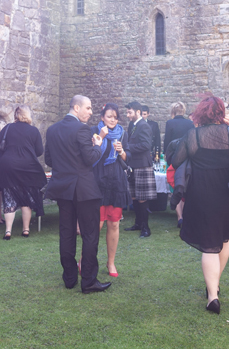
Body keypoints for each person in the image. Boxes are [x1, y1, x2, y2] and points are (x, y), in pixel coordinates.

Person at [171, 96, 229, 315]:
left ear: (201, 113)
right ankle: (214, 286)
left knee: (208, 244)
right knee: (224, 240)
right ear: (221, 112)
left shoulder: (193, 135)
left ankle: (213, 295)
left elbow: (176, 161)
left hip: (203, 194)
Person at [45, 95, 109, 293]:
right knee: (90, 234)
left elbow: (49, 159)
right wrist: (98, 144)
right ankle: (89, 280)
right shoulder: (82, 129)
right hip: (83, 189)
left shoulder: (52, 129)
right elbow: (90, 158)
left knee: (66, 232)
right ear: (76, 107)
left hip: (63, 189)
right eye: (88, 108)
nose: (91, 112)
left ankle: (70, 278)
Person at [0, 105, 47, 240]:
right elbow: (39, 151)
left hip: (8, 165)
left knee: (9, 198)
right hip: (28, 166)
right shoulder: (34, 131)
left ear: (16, 115)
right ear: (28, 115)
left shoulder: (7, 128)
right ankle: (26, 229)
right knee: (27, 199)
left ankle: (8, 231)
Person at [93, 103, 131, 278]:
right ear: (102, 117)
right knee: (96, 224)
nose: (113, 120)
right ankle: (86, 260)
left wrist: (122, 151)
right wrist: (100, 138)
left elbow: (127, 158)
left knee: (114, 223)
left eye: (115, 117)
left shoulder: (122, 133)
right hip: (98, 180)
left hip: (116, 181)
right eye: (109, 116)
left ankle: (111, 262)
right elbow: (89, 157)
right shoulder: (94, 131)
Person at [124, 101, 155, 238]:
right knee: (135, 196)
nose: (127, 115)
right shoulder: (134, 125)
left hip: (142, 165)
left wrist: (127, 147)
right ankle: (138, 223)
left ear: (137, 112)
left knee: (142, 198)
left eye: (129, 112)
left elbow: (146, 145)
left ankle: (146, 228)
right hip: (134, 165)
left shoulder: (144, 126)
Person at [163, 101, 195, 228]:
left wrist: (167, 158)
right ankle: (186, 216)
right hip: (187, 159)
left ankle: (180, 217)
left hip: (174, 159)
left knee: (175, 186)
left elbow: (167, 143)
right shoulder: (190, 123)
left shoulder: (170, 123)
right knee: (186, 186)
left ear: (173, 111)